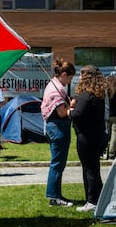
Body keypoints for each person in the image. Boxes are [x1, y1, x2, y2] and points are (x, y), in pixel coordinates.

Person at [69, 65, 106, 212]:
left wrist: (69, 110)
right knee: (94, 169)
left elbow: (78, 115)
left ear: (85, 77)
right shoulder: (98, 94)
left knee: (89, 169)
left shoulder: (85, 95)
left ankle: (91, 201)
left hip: (86, 137)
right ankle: (99, 198)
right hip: (97, 135)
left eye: (81, 75)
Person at [40, 58, 76, 207]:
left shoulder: (52, 85)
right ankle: (54, 197)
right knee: (57, 163)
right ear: (64, 74)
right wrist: (72, 105)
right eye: (70, 78)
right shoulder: (57, 89)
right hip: (58, 127)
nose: (70, 81)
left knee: (58, 163)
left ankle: (56, 194)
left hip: (53, 127)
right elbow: (62, 113)